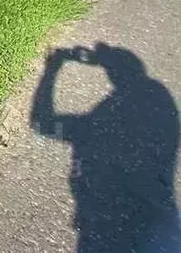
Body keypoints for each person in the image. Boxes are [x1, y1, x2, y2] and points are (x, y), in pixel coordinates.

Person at [31, 43, 181, 252]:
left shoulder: (95, 125)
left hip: (104, 231)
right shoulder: (163, 108)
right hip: (160, 227)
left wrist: (52, 68)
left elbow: (42, 122)